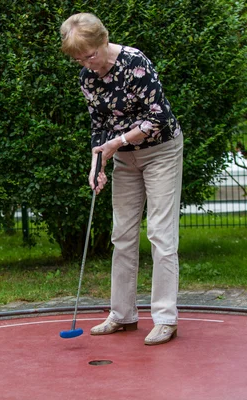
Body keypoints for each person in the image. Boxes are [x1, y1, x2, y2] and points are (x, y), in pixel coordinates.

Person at [60, 13, 183, 345]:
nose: (88, 64)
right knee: (122, 234)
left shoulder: (134, 62)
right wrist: (96, 163)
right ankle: (123, 315)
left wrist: (118, 143)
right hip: (124, 156)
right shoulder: (88, 78)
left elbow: (158, 117)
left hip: (161, 150)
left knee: (160, 232)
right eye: (79, 59)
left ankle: (165, 319)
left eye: (91, 55)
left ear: (104, 40)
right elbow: (98, 124)